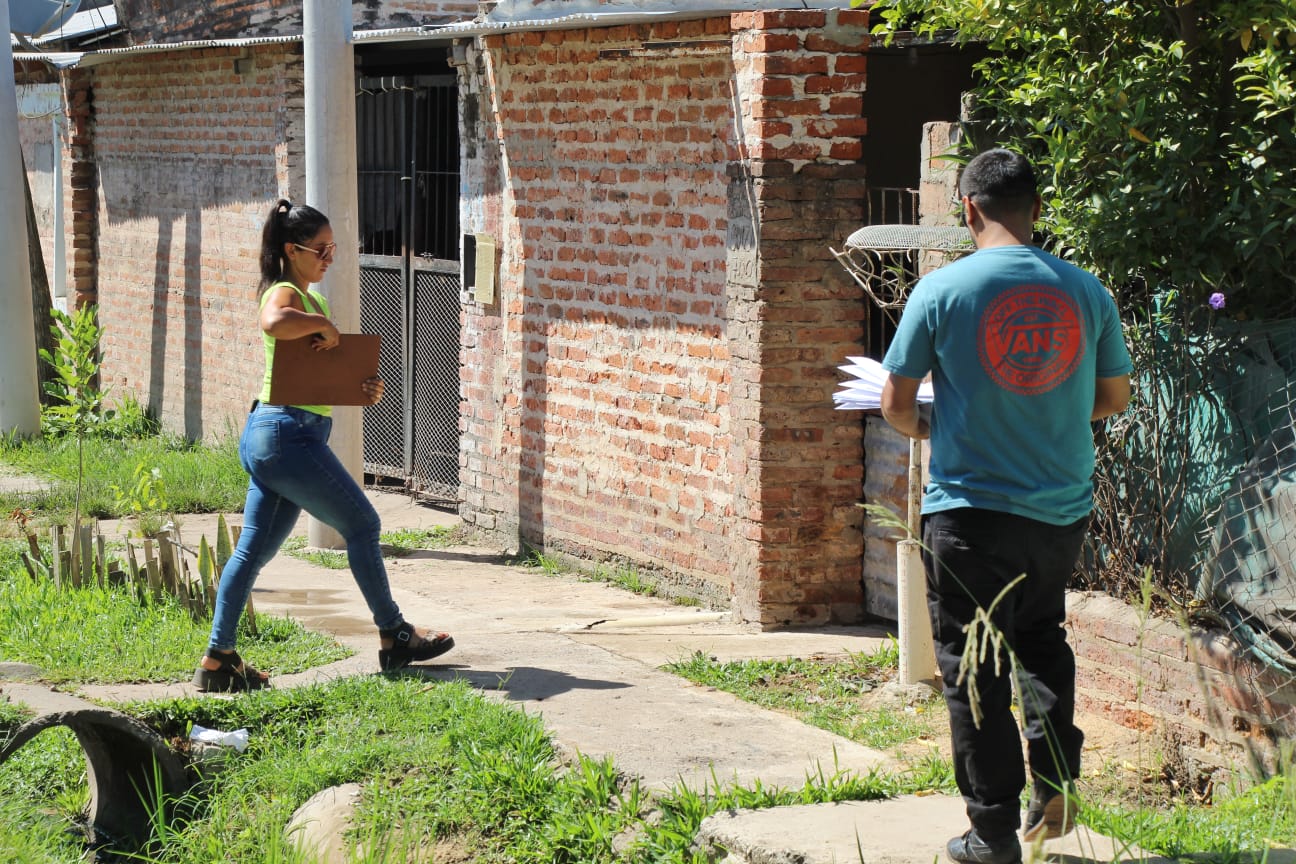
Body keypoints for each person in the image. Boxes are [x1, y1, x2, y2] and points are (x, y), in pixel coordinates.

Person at [880, 149, 1132, 864]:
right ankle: (1053, 778)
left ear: (968, 208)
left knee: (975, 667)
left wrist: (929, 425)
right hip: (1059, 510)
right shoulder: (1086, 291)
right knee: (1042, 639)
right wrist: (1050, 411)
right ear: (1037, 209)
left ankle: (991, 835)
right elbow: (1113, 398)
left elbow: (895, 402)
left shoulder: (941, 290)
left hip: (969, 512)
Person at [193, 199, 454, 692]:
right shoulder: (285, 293)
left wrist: (361, 388)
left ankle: (218, 659)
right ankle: (395, 634)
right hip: (286, 433)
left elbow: (315, 376)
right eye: (321, 249)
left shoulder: (314, 303)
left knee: (252, 551)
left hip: (278, 433)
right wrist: (324, 326)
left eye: (334, 248)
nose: (330, 257)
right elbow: (274, 321)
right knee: (363, 524)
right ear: (292, 250)